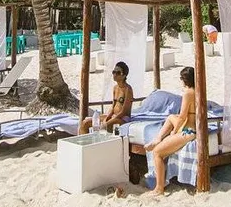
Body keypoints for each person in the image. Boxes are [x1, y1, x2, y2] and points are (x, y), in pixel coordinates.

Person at [144, 66, 197, 196]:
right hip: (191, 127)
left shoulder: (188, 93)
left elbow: (183, 117)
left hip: (188, 131)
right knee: (170, 117)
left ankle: (159, 188)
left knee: (157, 153)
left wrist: (175, 131)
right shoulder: (198, 91)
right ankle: (158, 139)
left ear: (184, 80)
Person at [79, 62, 133, 135]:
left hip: (123, 118)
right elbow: (113, 105)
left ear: (124, 75)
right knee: (85, 123)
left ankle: (97, 144)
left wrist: (109, 121)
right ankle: (84, 144)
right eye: (113, 72)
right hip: (114, 116)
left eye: (118, 73)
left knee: (105, 126)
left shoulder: (128, 89)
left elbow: (124, 111)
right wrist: (107, 117)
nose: (114, 75)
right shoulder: (115, 88)